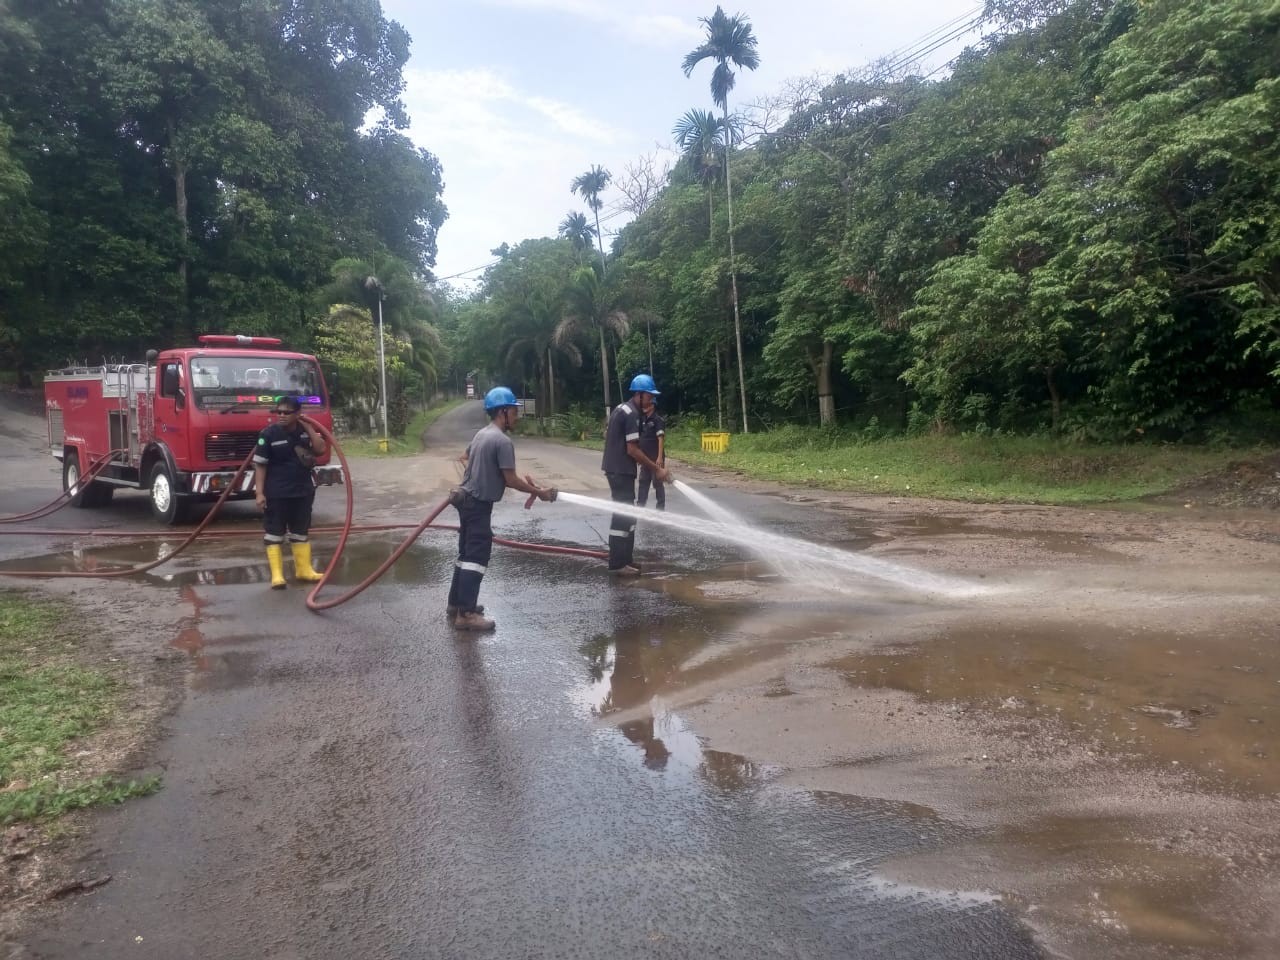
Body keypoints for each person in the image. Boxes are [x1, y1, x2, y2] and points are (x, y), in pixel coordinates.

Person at [448, 386, 558, 631]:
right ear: (503, 411)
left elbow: (464, 457)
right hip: (477, 504)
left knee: (465, 555)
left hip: (465, 499)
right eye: (514, 411)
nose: (517, 416)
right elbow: (510, 479)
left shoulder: (481, 435)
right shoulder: (502, 441)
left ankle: (456, 604)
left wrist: (483, 473)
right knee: (476, 557)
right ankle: (465, 614)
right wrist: (538, 492)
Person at [601, 374, 672, 575]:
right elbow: (632, 450)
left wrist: (658, 465)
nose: (651, 400)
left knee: (628, 514)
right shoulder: (631, 414)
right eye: (649, 395)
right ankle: (617, 564)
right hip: (620, 470)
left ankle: (626, 560)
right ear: (639, 394)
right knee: (623, 515)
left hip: (618, 469)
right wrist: (656, 468)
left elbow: (635, 445)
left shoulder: (624, 409)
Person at [253, 396, 326, 589]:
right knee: (274, 533)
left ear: (297, 414)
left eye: (287, 412)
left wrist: (309, 428)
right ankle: (277, 576)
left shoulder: (303, 432)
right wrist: (259, 493)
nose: (282, 415)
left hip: (302, 491)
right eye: (279, 412)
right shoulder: (268, 434)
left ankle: (304, 570)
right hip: (276, 493)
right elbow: (260, 465)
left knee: (300, 532)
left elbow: (320, 449)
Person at [635, 404, 666, 510]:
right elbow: (640, 438)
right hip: (645, 458)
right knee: (643, 481)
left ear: (652, 406)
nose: (644, 406)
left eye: (647, 404)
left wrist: (660, 457)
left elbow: (661, 439)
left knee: (657, 482)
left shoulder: (658, 420)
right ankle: (640, 505)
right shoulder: (642, 419)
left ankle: (660, 508)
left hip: (655, 458)